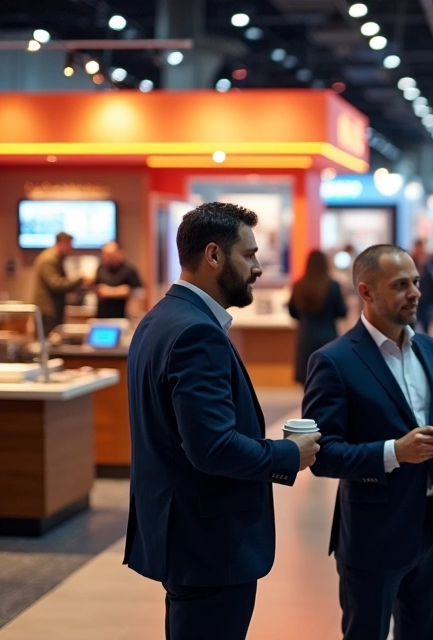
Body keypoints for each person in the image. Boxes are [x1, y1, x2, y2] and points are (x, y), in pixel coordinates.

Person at [124, 202, 321, 640]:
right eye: (248, 256)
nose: (257, 268)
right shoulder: (197, 333)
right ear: (214, 256)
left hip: (183, 539)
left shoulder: (159, 319)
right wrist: (289, 454)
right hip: (209, 545)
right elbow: (212, 447)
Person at [303, 245, 433, 640]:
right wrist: (394, 452)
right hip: (373, 534)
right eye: (400, 285)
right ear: (366, 292)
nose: (415, 292)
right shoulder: (334, 361)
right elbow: (323, 454)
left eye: (415, 282)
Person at [288, 250, 348, 387]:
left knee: (308, 379)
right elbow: (342, 312)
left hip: (306, 336)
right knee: (327, 379)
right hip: (328, 336)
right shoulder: (333, 286)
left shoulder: (299, 285)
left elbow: (292, 312)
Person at [30, 232, 89, 332]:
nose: (71, 249)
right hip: (48, 311)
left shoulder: (56, 259)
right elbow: (56, 284)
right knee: (48, 344)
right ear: (62, 243)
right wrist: (79, 279)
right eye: (70, 245)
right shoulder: (49, 259)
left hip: (52, 310)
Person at [95, 241, 144, 319]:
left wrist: (108, 292)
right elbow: (98, 290)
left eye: (111, 255)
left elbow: (138, 293)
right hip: (102, 317)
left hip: (123, 317)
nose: (108, 257)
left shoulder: (129, 270)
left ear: (120, 253)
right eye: (105, 254)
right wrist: (119, 291)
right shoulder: (101, 269)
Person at [412, 239, 433, 333]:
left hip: (425, 303)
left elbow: (432, 286)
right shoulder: (409, 266)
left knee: (426, 329)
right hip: (412, 303)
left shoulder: (428, 266)